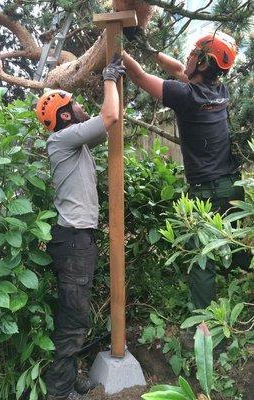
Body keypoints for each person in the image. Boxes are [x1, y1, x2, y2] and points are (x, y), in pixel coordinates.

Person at [123, 32, 244, 309]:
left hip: (208, 191)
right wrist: (147, 46)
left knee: (203, 257)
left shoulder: (185, 95)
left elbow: (140, 77)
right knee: (235, 245)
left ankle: (204, 324)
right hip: (232, 187)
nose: (186, 58)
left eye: (193, 54)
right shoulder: (219, 92)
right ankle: (241, 296)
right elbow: (178, 69)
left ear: (202, 64)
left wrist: (116, 48)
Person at [35, 55, 125, 400]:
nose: (81, 107)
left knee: (77, 311)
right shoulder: (63, 140)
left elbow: (106, 126)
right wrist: (107, 79)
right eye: (75, 105)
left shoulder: (75, 141)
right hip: (73, 242)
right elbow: (110, 115)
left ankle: (69, 379)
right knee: (73, 317)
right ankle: (58, 391)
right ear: (66, 116)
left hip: (75, 241)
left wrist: (112, 87)